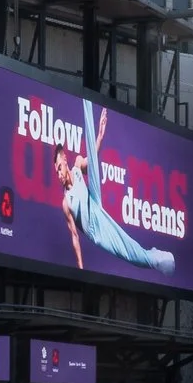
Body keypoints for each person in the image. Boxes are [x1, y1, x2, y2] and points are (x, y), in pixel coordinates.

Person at [53, 99, 176, 275]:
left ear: (65, 161)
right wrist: (80, 269)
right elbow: (74, 236)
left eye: (59, 168)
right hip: (96, 229)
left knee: (90, 159)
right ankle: (156, 259)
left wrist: (100, 136)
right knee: (126, 251)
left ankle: (86, 100)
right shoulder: (66, 203)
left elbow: (93, 162)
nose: (58, 174)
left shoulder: (77, 164)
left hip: (95, 200)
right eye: (56, 171)